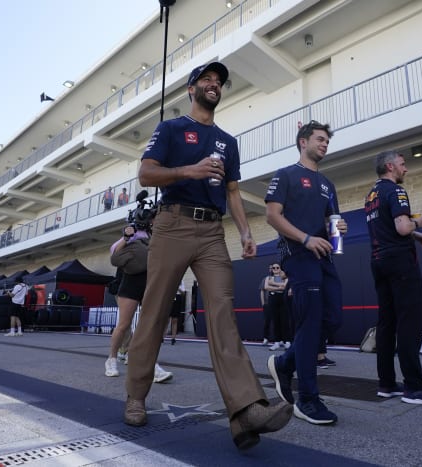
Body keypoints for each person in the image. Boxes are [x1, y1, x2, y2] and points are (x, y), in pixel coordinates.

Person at [125, 61, 292, 450]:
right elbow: (146, 174)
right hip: (172, 224)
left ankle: (245, 411)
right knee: (153, 310)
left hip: (212, 231)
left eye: (218, 82)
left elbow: (232, 191)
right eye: (207, 80)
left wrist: (247, 232)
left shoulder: (228, 142)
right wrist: (189, 171)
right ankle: (135, 395)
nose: (214, 85)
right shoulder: (171, 129)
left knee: (222, 312)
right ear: (191, 89)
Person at [265, 120, 347, 425]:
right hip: (298, 253)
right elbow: (272, 215)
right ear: (303, 142)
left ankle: (285, 363)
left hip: (323, 256)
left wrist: (337, 228)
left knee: (333, 318)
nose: (325, 144)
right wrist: (305, 238)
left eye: (327, 140)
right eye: (320, 139)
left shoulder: (327, 184)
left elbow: (331, 222)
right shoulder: (286, 175)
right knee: (310, 324)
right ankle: (307, 400)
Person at [364, 150, 422, 405]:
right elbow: (402, 226)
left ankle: (387, 384)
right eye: (402, 164)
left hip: (379, 261)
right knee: (409, 323)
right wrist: (418, 223)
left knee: (387, 323)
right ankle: (415, 388)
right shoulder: (396, 191)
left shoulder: (371, 195)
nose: (406, 169)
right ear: (390, 167)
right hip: (400, 263)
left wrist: (414, 235)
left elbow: (389, 227)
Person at [107, 222, 172, 383]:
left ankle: (150, 364)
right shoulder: (132, 234)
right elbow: (114, 254)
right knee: (123, 324)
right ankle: (112, 360)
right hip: (130, 283)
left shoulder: (155, 236)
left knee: (148, 325)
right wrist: (126, 236)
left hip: (149, 283)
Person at [266, 264, 291, 351]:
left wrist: (273, 284)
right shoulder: (268, 278)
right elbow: (267, 287)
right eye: (274, 268)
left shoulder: (285, 277)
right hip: (273, 300)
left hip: (283, 299)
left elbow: (285, 287)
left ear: (281, 269)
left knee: (285, 321)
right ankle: (277, 342)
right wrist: (279, 286)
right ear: (271, 269)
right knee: (275, 321)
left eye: (277, 267)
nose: (276, 269)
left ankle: (287, 341)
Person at [259, 265, 272, 345]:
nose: (272, 269)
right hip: (267, 304)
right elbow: (262, 291)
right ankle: (266, 338)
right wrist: (263, 303)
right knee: (267, 321)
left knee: (279, 321)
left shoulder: (279, 278)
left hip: (277, 304)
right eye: (270, 268)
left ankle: (281, 339)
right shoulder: (265, 279)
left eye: (274, 268)